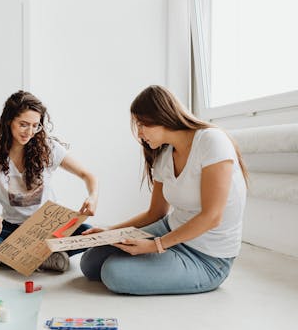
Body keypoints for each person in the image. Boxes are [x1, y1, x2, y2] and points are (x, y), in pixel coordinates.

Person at [80, 85, 248, 295]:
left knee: (113, 273)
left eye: (142, 125)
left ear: (161, 117)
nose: (139, 134)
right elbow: (155, 213)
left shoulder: (211, 141)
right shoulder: (164, 154)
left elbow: (212, 216)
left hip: (207, 257)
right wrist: (110, 231)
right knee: (90, 263)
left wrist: (156, 246)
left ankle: (166, 260)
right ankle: (159, 256)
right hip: (171, 229)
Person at [0, 90, 98, 272]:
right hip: (11, 230)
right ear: (9, 121)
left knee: (89, 232)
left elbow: (87, 175)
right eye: (23, 125)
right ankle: (41, 257)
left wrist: (93, 196)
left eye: (35, 126)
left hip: (48, 230)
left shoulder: (48, 149)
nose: (30, 132)